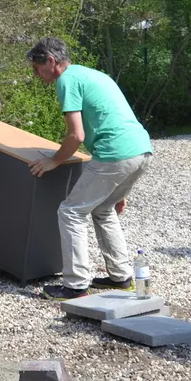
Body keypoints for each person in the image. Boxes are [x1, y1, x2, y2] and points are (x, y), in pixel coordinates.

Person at [26, 37, 153, 300]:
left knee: (71, 212)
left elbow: (76, 135)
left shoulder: (66, 80)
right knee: (104, 209)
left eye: (37, 68)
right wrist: (116, 185)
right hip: (141, 150)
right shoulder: (91, 74)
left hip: (115, 153)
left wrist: (54, 160)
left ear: (51, 61)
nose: (37, 75)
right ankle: (121, 277)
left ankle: (75, 286)